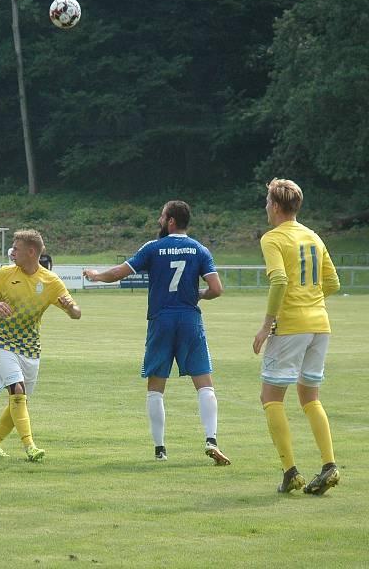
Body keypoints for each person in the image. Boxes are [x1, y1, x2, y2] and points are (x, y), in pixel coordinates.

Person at [83, 200, 230, 465]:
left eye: (162, 217)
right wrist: (199, 295)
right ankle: (211, 439)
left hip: (161, 320)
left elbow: (120, 273)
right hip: (189, 320)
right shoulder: (199, 249)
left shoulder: (153, 248)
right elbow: (217, 289)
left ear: (171, 220)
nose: (159, 221)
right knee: (204, 383)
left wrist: (95, 275)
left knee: (155, 387)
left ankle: (160, 449)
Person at [252, 178, 341, 495]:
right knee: (310, 397)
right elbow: (332, 283)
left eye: (266, 202)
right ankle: (329, 465)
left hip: (290, 326)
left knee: (271, 397)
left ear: (275, 206)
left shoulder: (273, 238)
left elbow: (278, 281)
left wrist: (266, 325)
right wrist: (310, 300)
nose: (265, 207)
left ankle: (290, 472)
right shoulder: (313, 237)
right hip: (320, 325)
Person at [0, 229, 81, 461]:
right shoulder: (4, 274)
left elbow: (76, 314)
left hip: (31, 348)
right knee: (17, 390)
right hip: (2, 342)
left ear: (31, 252)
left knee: (19, 400)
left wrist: (70, 307)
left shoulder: (50, 281)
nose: (12, 252)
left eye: (17, 249)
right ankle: (30, 447)